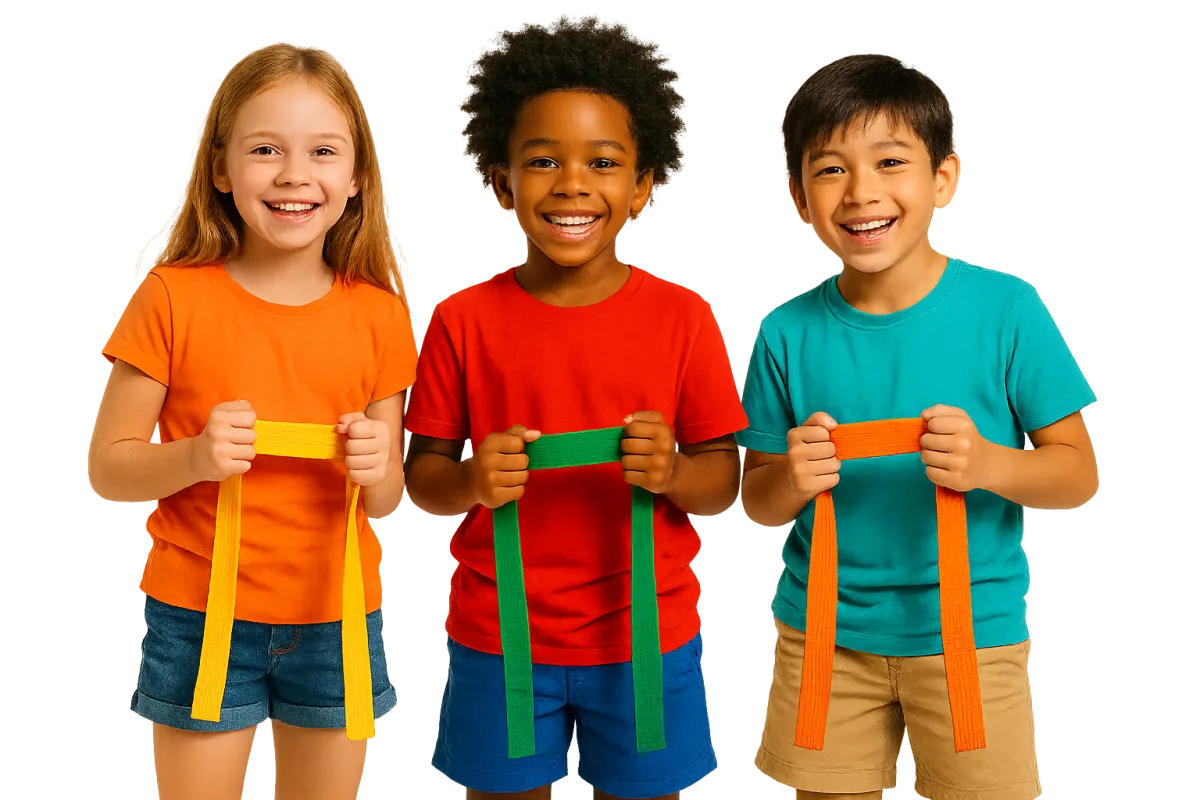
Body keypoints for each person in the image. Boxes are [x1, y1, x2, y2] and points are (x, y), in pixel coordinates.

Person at [402, 19, 748, 800]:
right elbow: (423, 474)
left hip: (647, 638)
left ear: (642, 185)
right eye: (542, 162)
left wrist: (674, 470)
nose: (571, 183)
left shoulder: (682, 317)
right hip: (499, 637)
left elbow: (724, 478)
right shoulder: (462, 319)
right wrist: (469, 482)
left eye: (602, 162)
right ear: (502, 183)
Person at [737, 54, 1098, 800]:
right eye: (830, 169)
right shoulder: (783, 332)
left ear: (943, 177)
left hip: (973, 641)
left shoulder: (1007, 311)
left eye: (890, 161)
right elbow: (755, 498)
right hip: (824, 644)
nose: (862, 192)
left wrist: (990, 464)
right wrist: (789, 479)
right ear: (798, 196)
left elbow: (1076, 470)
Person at [88, 44, 417, 800]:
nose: (295, 175)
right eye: (265, 149)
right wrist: (194, 457)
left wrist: (379, 469)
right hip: (200, 612)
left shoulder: (379, 315)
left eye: (323, 152)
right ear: (219, 168)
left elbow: (394, 498)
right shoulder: (171, 299)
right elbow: (110, 466)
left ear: (356, 176)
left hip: (336, 618)